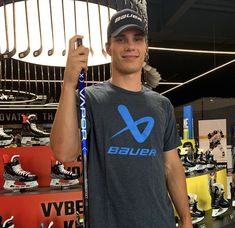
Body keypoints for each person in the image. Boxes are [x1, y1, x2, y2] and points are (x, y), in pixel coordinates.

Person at [50, 8, 193, 228]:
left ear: (145, 48)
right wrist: (68, 84)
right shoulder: (90, 99)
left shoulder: (161, 104)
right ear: (109, 48)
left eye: (137, 39)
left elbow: (171, 166)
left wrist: (186, 219)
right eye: (120, 39)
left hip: (160, 221)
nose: (130, 46)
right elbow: (64, 152)